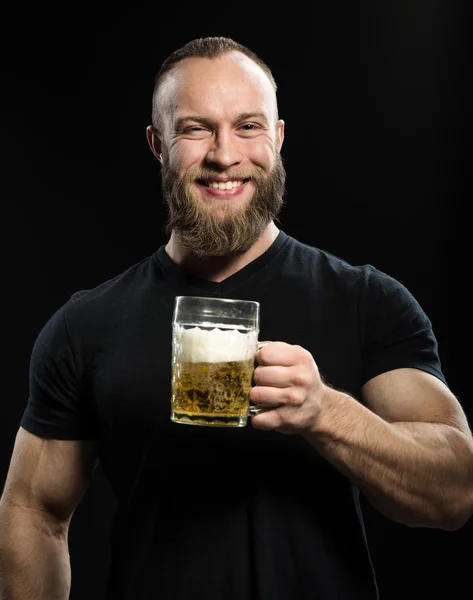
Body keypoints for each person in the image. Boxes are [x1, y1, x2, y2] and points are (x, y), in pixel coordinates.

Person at [0, 36, 472, 600]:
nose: (225, 155)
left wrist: (326, 412)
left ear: (277, 138)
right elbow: (33, 510)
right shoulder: (87, 325)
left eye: (248, 126)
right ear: (157, 144)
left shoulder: (365, 300)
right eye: (196, 129)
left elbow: (454, 494)